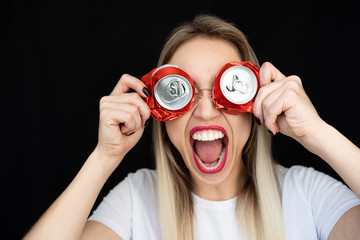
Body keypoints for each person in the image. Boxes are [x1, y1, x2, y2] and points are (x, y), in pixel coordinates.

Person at [23, 15, 360, 240]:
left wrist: (316, 132)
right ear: (158, 109)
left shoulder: (308, 194)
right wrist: (104, 157)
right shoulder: (136, 199)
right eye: (178, 92)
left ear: (255, 102)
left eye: (228, 88)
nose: (206, 110)